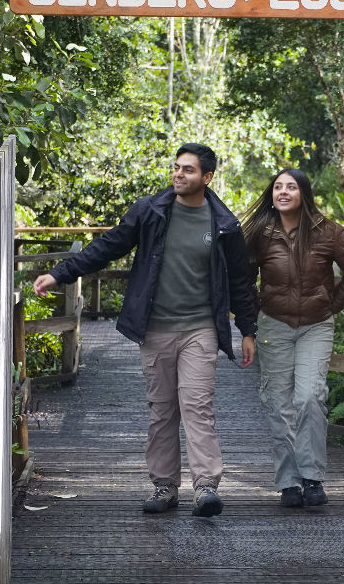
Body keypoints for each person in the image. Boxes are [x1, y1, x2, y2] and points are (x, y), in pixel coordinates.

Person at [33, 143, 257, 518]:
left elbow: (241, 281)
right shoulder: (150, 211)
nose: (179, 174)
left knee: (197, 405)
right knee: (163, 409)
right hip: (155, 328)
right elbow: (107, 247)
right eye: (176, 168)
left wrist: (247, 329)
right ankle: (165, 486)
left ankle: (205, 487)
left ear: (207, 177)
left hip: (200, 328)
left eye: (188, 170)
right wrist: (60, 273)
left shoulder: (224, 224)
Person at [240, 169, 344, 508]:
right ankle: (289, 483)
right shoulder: (259, 233)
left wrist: (332, 304)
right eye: (278, 187)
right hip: (273, 326)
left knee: (310, 397)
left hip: (316, 326)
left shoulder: (327, 231)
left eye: (291, 187)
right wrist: (252, 320)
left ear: (303, 194)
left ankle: (312, 478)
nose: (283, 192)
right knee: (278, 404)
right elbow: (240, 277)